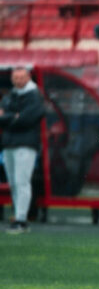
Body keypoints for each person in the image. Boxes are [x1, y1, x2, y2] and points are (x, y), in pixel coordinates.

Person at [0, 68, 46, 233]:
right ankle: (18, 216)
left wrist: (9, 118)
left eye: (21, 77)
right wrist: (14, 117)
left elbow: (27, 119)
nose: (18, 80)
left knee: (22, 181)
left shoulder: (35, 96)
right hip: (9, 144)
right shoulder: (10, 96)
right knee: (13, 183)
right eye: (15, 77)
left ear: (28, 77)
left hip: (26, 144)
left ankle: (21, 219)